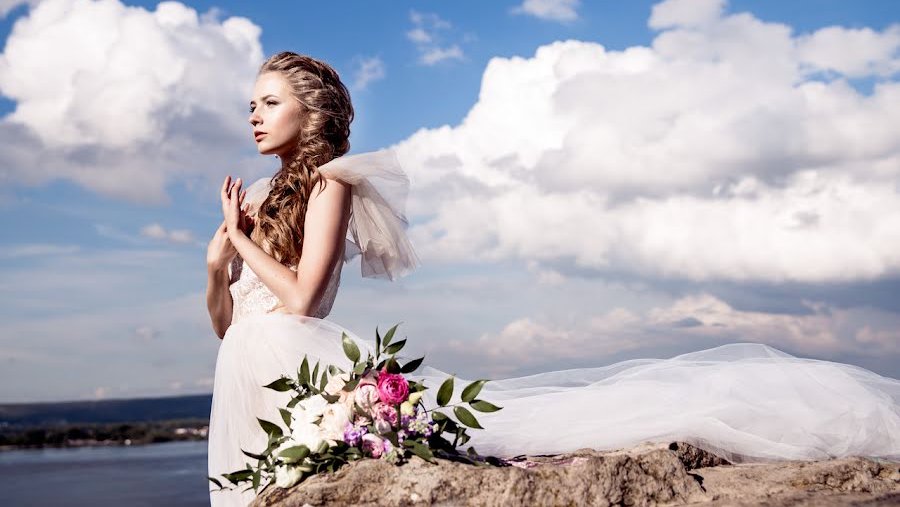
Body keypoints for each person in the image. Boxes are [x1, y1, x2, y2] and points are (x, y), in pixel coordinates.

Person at [206, 52, 900, 506]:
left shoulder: (331, 182)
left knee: (500, 428)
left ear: (311, 111)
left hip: (297, 363)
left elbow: (306, 301)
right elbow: (231, 326)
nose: (254, 115)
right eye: (252, 105)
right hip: (247, 377)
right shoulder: (261, 197)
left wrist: (238, 240)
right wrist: (218, 269)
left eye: (268, 102)